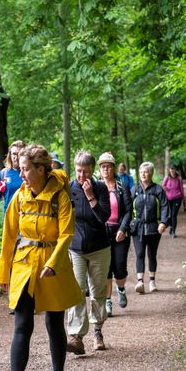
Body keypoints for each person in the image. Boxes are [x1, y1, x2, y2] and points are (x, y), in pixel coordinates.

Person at [0, 144, 82, 371]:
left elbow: (66, 233)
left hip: (51, 266)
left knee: (54, 324)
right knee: (22, 325)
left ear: (42, 169)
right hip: (24, 265)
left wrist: (54, 262)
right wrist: (3, 273)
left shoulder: (60, 197)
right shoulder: (20, 197)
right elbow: (9, 235)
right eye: (20, 169)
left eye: (25, 169)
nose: (21, 175)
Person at [66, 150, 112, 354]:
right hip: (76, 248)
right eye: (78, 171)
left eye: (85, 171)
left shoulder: (100, 188)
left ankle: (97, 331)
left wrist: (90, 196)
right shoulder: (69, 188)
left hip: (99, 247)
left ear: (92, 170)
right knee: (76, 291)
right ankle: (76, 337)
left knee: (97, 291)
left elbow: (104, 216)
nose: (81, 175)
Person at [97, 152, 133, 317]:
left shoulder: (122, 186)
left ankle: (121, 288)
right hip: (102, 232)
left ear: (113, 168)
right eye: (102, 166)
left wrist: (123, 229)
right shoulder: (96, 186)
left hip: (119, 232)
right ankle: (108, 302)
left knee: (119, 267)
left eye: (108, 166)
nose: (105, 169)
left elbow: (128, 211)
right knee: (106, 269)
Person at [131, 161, 169, 294]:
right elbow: (128, 208)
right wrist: (129, 224)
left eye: (146, 172)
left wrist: (163, 222)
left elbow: (165, 206)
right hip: (138, 228)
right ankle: (140, 281)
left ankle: (152, 281)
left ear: (151, 173)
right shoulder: (134, 190)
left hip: (154, 227)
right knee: (139, 254)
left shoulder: (158, 190)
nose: (143, 174)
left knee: (152, 254)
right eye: (141, 172)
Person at [0, 140, 25, 225]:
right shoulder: (4, 175)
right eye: (14, 154)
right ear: (10, 154)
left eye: (19, 154)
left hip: (28, 218)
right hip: (10, 219)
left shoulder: (30, 173)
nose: (16, 157)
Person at [162, 164, 185, 237]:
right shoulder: (167, 178)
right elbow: (162, 186)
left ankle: (173, 232)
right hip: (168, 198)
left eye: (173, 169)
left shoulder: (179, 178)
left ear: (176, 170)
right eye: (171, 169)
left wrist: (183, 198)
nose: (172, 170)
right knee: (169, 215)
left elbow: (181, 188)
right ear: (169, 170)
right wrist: (166, 188)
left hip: (177, 198)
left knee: (174, 214)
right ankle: (171, 227)